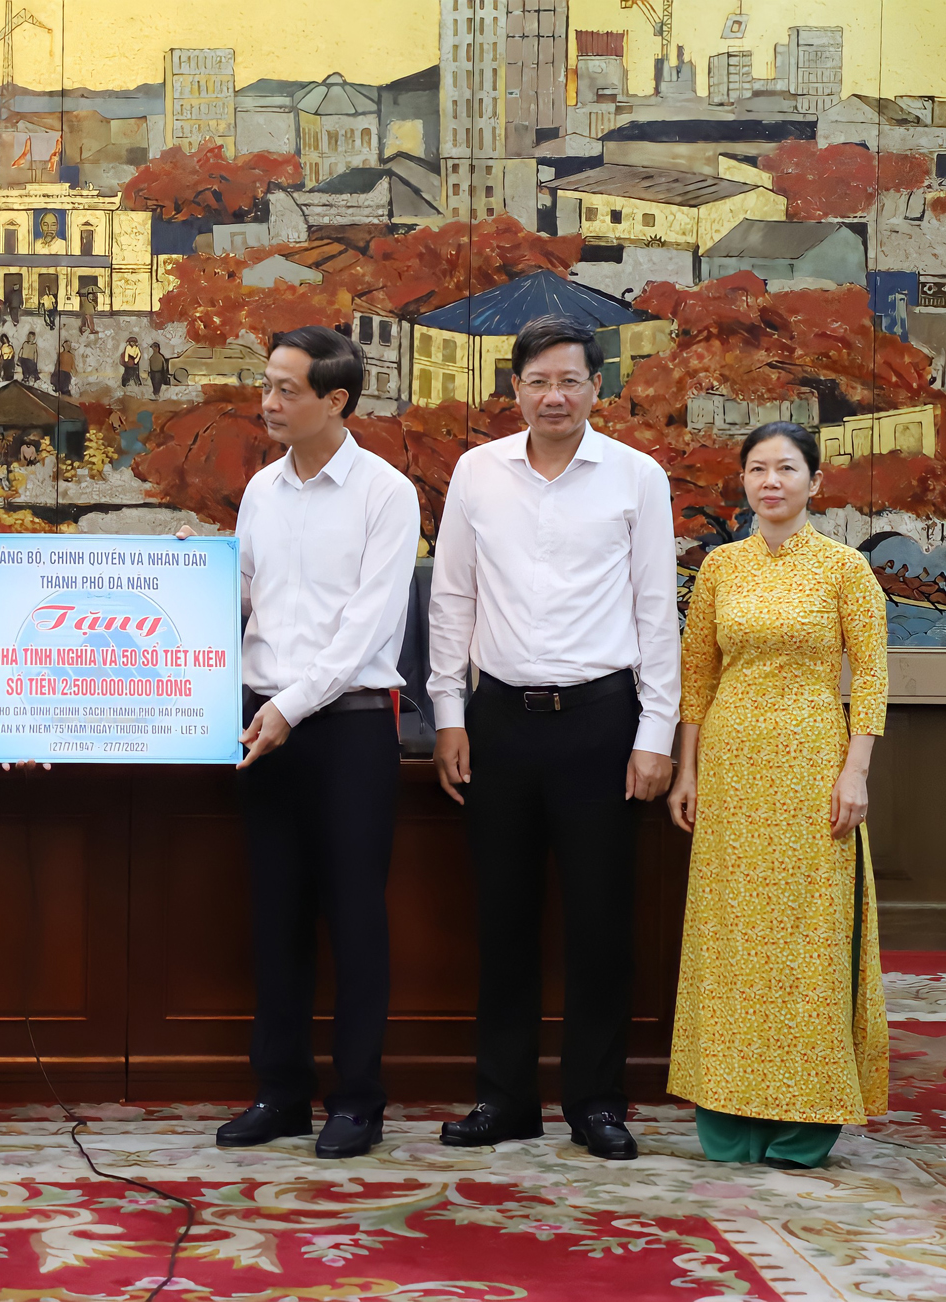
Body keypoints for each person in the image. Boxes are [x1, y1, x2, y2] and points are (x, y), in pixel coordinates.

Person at [428, 315, 678, 1162]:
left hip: (602, 722)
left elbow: (655, 611)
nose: (555, 396)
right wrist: (449, 715)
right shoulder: (476, 473)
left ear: (596, 387)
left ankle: (596, 1102)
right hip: (497, 720)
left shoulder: (637, 477)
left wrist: (656, 732)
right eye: (538, 382)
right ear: (516, 390)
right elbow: (451, 601)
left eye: (570, 380)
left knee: (601, 923)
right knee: (502, 921)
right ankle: (503, 1100)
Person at [210, 327, 420, 1161]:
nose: (268, 402)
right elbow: (248, 593)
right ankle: (281, 1094)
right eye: (265, 385)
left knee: (355, 918)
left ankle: (358, 1100)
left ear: (336, 401)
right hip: (267, 728)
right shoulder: (262, 489)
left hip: (349, 727)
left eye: (287, 390)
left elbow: (369, 623)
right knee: (277, 916)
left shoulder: (384, 492)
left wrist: (292, 705)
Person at [665, 422, 888, 1169]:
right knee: (730, 940)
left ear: (814, 482)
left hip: (813, 768)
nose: (771, 481)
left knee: (807, 939)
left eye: (787, 468)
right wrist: (687, 770)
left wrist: (854, 771)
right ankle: (726, 1112)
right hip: (731, 766)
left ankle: (806, 1116)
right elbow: (697, 678)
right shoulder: (720, 569)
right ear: (743, 481)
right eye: (757, 468)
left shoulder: (844, 569)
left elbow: (875, 680)